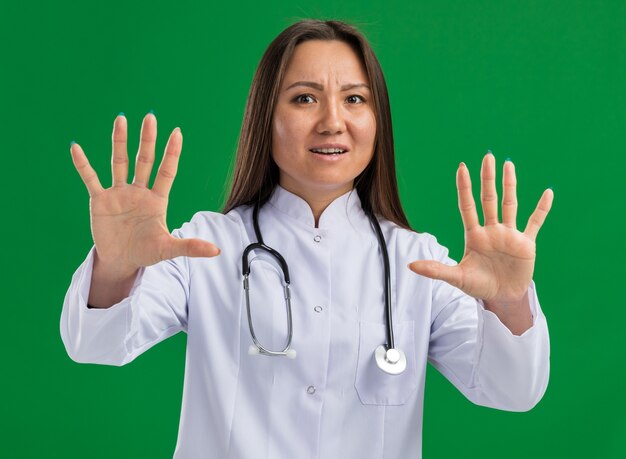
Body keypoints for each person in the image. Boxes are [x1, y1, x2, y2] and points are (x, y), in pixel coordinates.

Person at [61, 19, 554, 459]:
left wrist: (508, 303)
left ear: (377, 121)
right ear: (265, 118)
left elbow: (512, 389)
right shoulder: (205, 247)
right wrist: (117, 266)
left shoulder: (417, 262)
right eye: (304, 98)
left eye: (355, 99)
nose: (332, 121)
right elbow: (96, 344)